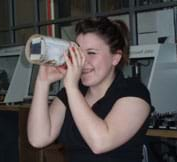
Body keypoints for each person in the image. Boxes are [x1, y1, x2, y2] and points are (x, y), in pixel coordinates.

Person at [27, 16, 154, 162]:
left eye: (92, 53)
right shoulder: (70, 94)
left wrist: (71, 88)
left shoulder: (134, 93)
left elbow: (100, 143)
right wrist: (42, 82)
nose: (83, 61)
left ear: (116, 58)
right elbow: (38, 139)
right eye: (79, 53)